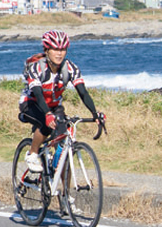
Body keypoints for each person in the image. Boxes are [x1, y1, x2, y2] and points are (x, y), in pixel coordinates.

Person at [18, 30, 104, 174]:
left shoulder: (70, 68)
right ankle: (32, 154)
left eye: (63, 49)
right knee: (45, 124)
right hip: (31, 103)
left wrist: (95, 113)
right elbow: (38, 94)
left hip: (54, 105)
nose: (60, 53)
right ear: (46, 50)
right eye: (55, 49)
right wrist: (47, 114)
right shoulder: (37, 68)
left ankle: (64, 194)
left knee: (64, 144)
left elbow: (82, 92)